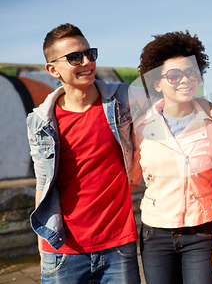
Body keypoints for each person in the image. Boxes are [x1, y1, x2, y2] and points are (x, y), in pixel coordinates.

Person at [27, 23, 140, 283]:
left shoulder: (121, 100)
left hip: (118, 247)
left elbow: (174, 98)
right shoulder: (40, 121)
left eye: (91, 54)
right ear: (53, 69)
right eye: (75, 57)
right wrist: (41, 242)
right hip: (63, 249)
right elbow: (43, 182)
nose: (87, 62)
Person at [130, 31, 212, 284]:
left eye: (191, 73)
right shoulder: (140, 127)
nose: (185, 80)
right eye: (173, 75)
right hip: (155, 234)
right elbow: (131, 178)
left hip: (203, 231)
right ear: (157, 83)